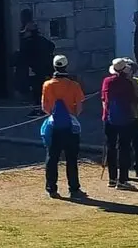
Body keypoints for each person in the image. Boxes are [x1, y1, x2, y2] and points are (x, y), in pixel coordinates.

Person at [41, 54, 87, 199]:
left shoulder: (47, 85)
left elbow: (44, 107)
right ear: (66, 66)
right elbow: (79, 108)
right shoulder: (74, 85)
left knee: (52, 157)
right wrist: (71, 115)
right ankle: (74, 188)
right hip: (70, 126)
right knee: (72, 158)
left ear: (54, 66)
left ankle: (51, 188)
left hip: (54, 125)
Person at [101, 57, 138, 188]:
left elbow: (103, 99)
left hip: (109, 118)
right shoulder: (127, 83)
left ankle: (112, 179)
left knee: (111, 147)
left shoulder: (107, 82)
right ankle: (122, 180)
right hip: (125, 119)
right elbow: (133, 100)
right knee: (124, 148)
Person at [18, 21, 56, 116]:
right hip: (45, 69)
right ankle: (45, 108)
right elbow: (52, 46)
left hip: (35, 70)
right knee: (42, 89)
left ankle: (39, 109)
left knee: (36, 91)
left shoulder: (28, 42)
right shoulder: (41, 39)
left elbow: (23, 55)